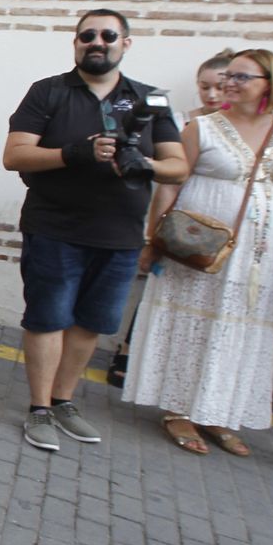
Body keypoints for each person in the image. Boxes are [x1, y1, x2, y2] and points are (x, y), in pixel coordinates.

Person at [1, 8, 186, 453]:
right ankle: (39, 408)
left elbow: (178, 167)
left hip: (120, 235)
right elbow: (15, 155)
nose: (97, 42)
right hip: (55, 227)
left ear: (126, 43)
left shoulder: (149, 99)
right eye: (87, 35)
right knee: (47, 318)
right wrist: (74, 153)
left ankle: (64, 401)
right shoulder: (48, 92)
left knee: (91, 322)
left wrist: (144, 164)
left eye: (108, 35)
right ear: (76, 42)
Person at [121, 48, 273, 456]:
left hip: (257, 259)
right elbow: (171, 184)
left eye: (241, 77)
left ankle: (215, 412)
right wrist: (154, 239)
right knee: (190, 323)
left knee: (237, 331)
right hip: (198, 248)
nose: (229, 83)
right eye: (228, 76)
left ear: (269, 84)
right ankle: (177, 409)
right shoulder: (202, 128)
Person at [108, 47, 234, 388]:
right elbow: (167, 181)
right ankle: (130, 352)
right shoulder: (182, 122)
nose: (212, 94)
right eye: (204, 86)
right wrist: (153, 235)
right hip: (183, 221)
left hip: (226, 228)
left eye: (220, 86)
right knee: (161, 287)